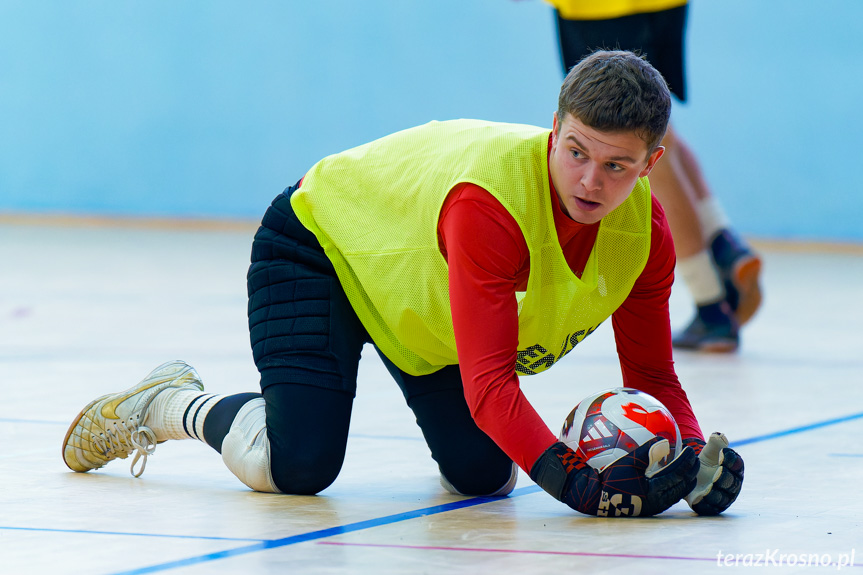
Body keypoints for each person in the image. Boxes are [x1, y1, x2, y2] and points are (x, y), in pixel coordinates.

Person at [62, 50, 743, 517]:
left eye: (616, 166)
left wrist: (692, 453)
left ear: (652, 162)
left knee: (485, 476)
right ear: (553, 130)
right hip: (321, 247)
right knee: (298, 468)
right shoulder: (491, 204)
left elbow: (651, 368)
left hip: (416, 298)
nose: (590, 181)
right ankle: (165, 402)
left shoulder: (645, 234)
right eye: (575, 151)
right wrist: (574, 481)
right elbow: (489, 387)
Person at [546, 0, 762, 352]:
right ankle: (722, 240)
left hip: (599, 9)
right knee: (659, 129)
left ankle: (710, 303)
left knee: (643, 147)